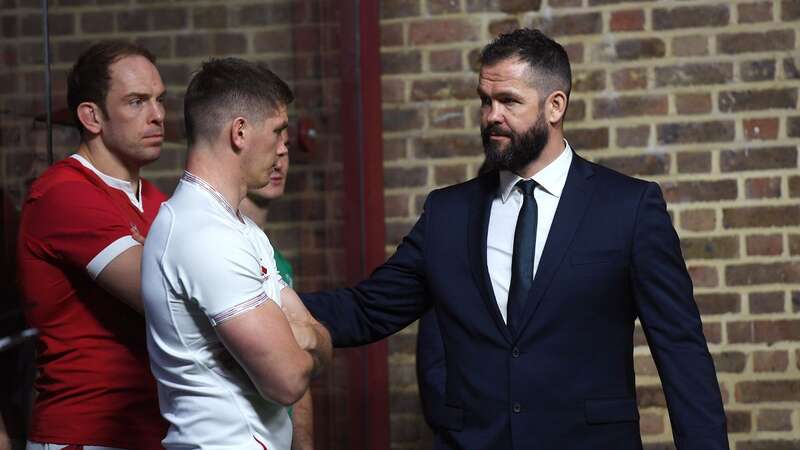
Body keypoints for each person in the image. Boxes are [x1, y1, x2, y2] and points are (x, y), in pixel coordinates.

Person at [301, 28, 728, 450]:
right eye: (485, 101)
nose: (491, 116)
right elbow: (367, 309)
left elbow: (681, 352)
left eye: (509, 101)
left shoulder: (629, 208)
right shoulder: (447, 214)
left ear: (555, 106)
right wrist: (260, 298)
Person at [141, 57, 331, 450]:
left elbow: (320, 338)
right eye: (278, 131)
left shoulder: (240, 229)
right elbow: (288, 380)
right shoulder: (202, 233)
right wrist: (302, 341)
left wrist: (303, 337)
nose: (283, 148)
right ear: (240, 132)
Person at [16, 41, 169, 449]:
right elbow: (166, 295)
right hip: (87, 433)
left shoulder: (155, 200)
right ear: (92, 116)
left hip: (154, 430)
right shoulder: (64, 193)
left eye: (159, 100)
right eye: (137, 102)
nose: (158, 115)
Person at [239, 138, 314, 450]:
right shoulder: (219, 250)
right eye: (270, 142)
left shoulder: (277, 260)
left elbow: (300, 370)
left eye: (285, 143)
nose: (280, 156)